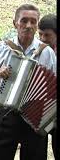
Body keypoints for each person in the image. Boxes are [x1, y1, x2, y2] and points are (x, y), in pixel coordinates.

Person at [0, 4, 56, 160]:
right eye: (24, 21)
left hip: (36, 116)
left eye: (33, 22)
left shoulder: (46, 52)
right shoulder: (2, 48)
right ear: (15, 23)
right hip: (7, 115)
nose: (28, 26)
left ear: (37, 24)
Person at [38, 13, 58, 160]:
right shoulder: (39, 52)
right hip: (42, 114)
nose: (43, 39)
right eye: (41, 34)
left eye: (47, 35)